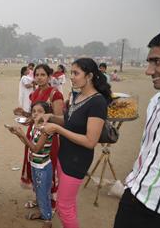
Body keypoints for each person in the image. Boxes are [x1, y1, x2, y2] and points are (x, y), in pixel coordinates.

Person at [39, 58, 112, 228]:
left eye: (76, 73)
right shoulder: (77, 95)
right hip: (64, 157)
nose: (71, 76)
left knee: (63, 207)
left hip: (77, 161)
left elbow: (90, 141)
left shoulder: (98, 102)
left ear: (90, 76)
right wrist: (51, 118)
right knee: (68, 205)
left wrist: (57, 130)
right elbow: (69, 122)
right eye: (71, 72)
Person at [113, 27, 160, 228]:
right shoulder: (156, 102)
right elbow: (148, 151)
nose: (148, 71)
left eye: (157, 61)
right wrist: (133, 181)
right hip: (132, 198)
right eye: (149, 62)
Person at [13, 64, 64, 212]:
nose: (39, 78)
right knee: (34, 166)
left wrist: (46, 120)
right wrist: (23, 113)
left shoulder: (55, 94)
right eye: (37, 75)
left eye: (43, 75)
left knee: (48, 167)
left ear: (49, 76)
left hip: (49, 136)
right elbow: (33, 117)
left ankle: (51, 203)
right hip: (33, 134)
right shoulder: (34, 93)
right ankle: (39, 199)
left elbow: (60, 119)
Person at [6, 101, 54, 228]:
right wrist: (17, 134)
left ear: (47, 114)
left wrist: (22, 135)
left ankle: (47, 220)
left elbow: (35, 149)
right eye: (33, 111)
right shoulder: (35, 127)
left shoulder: (46, 130)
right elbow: (29, 144)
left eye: (40, 111)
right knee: (39, 191)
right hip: (35, 165)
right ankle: (43, 213)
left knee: (43, 193)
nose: (36, 114)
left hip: (42, 167)